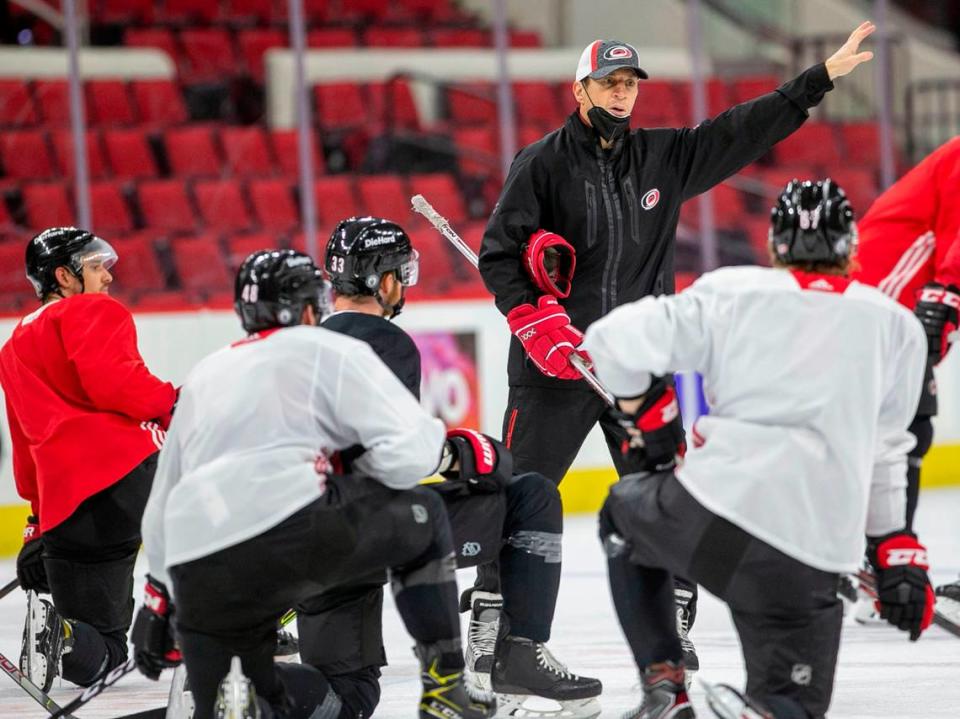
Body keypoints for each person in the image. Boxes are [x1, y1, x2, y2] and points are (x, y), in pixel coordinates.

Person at [475, 23, 877, 675]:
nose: (622, 93)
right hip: (554, 369)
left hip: (633, 370)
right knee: (522, 496)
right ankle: (500, 634)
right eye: (609, 82)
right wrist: (533, 318)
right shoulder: (541, 163)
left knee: (665, 500)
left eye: (630, 83)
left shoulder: (664, 157)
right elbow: (500, 252)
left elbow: (741, 130)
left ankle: (671, 635)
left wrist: (819, 79)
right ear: (579, 89)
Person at [580, 179, 935, 719]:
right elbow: (887, 452)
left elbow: (609, 340)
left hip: (710, 520)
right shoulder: (897, 326)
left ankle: (665, 688)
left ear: (774, 245)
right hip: (808, 559)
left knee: (624, 512)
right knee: (788, 706)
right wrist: (895, 550)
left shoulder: (732, 292)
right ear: (852, 247)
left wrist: (649, 416)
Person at [131, 249, 493, 719]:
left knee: (255, 700)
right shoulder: (329, 348)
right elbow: (408, 459)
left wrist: (157, 601)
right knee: (423, 512)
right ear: (308, 309)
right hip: (291, 529)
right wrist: (448, 453)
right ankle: (446, 687)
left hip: (198, 567)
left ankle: (238, 695)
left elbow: (163, 501)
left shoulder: (206, 374)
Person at [292, 216, 602, 718]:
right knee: (531, 495)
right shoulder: (387, 343)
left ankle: (240, 682)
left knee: (348, 698)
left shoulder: (295, 347)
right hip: (370, 535)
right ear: (385, 280)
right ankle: (518, 652)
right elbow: (390, 459)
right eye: (401, 273)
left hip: (306, 550)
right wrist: (460, 454)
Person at [0, 227, 177, 692]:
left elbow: (25, 446)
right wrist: (172, 401)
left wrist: (37, 522)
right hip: (126, 476)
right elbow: (116, 383)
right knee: (213, 539)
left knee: (103, 647)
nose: (107, 279)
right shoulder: (93, 310)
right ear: (64, 275)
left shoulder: (12, 347)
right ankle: (247, 631)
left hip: (65, 507)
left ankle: (61, 636)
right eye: (96, 267)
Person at [850, 137, 960, 619]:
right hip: (889, 296)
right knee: (902, 432)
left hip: (898, 296)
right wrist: (950, 294)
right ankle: (882, 566)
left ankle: (876, 563)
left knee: (906, 432)